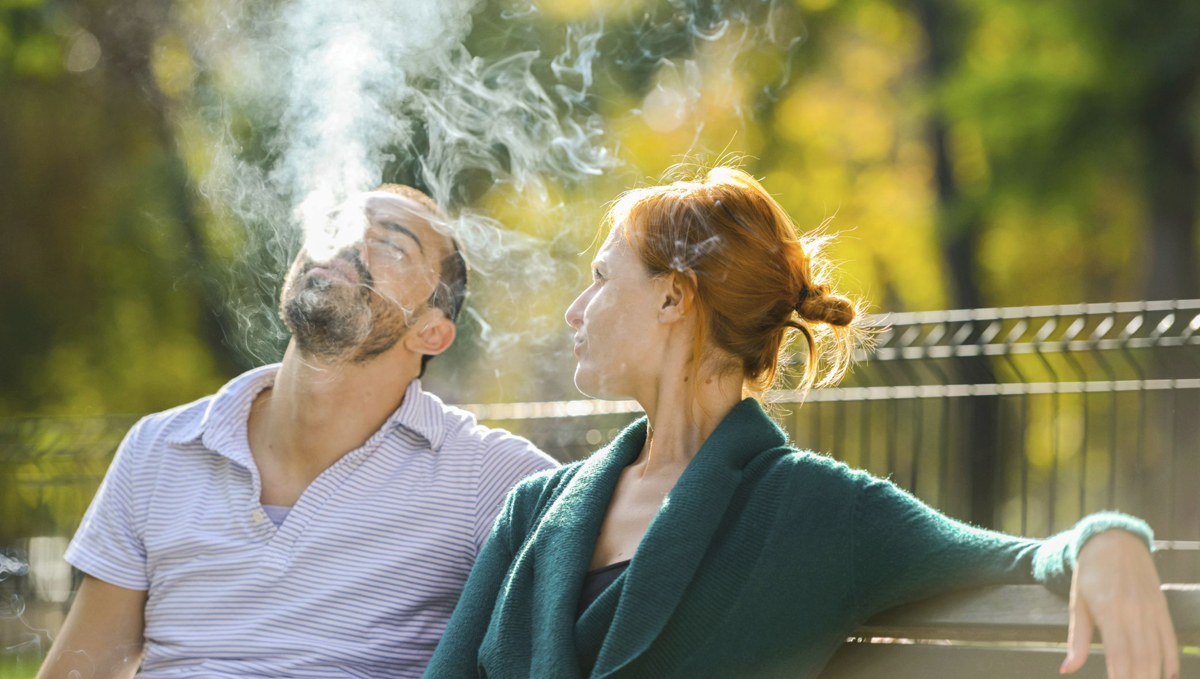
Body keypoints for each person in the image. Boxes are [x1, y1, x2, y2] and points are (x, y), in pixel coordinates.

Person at [423, 166, 1179, 679]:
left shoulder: (818, 512)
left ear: (671, 297)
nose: (574, 311)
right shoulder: (535, 512)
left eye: (598, 277)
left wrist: (1104, 539)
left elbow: (1015, 557)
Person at [37, 185, 559, 679]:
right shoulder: (160, 447)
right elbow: (83, 667)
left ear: (431, 331)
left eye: (391, 245)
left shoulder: (485, 476)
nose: (350, 244)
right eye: (341, 225)